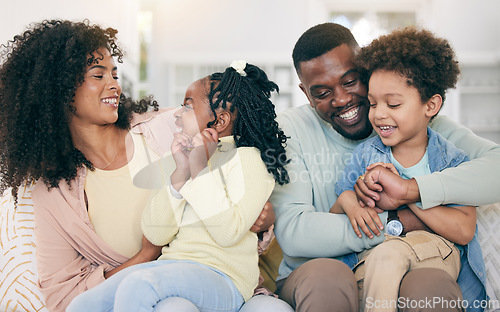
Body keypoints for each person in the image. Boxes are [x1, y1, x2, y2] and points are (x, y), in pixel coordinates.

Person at [0, 20, 290, 312]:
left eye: (114, 73)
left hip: (215, 280)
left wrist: (264, 219)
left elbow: (239, 171)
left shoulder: (175, 129)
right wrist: (146, 254)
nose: (113, 84)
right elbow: (65, 299)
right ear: (58, 89)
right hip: (160, 279)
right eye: (97, 75)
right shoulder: (53, 193)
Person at [270, 22, 497, 312]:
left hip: (412, 263)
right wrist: (399, 222)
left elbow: (494, 170)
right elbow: (295, 232)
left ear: (366, 70)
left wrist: (410, 191)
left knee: (429, 288)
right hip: (322, 270)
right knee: (328, 279)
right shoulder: (291, 129)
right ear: (305, 93)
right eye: (322, 93)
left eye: (350, 81)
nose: (341, 99)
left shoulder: (423, 125)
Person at [66, 61, 291, 312]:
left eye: (187, 106)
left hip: (224, 279)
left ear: (219, 121)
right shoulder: (180, 160)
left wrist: (199, 169)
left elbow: (228, 232)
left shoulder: (249, 161)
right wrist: (181, 173)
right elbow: (155, 234)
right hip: (173, 270)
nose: (176, 113)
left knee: (138, 285)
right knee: (83, 304)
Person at [332, 27, 482, 312]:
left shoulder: (451, 159)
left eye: (394, 103)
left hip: (434, 253)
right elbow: (337, 209)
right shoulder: (366, 154)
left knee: (388, 256)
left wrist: (406, 195)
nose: (379, 114)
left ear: (431, 105)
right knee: (379, 262)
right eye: (373, 103)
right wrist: (351, 202)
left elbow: (463, 230)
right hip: (375, 258)